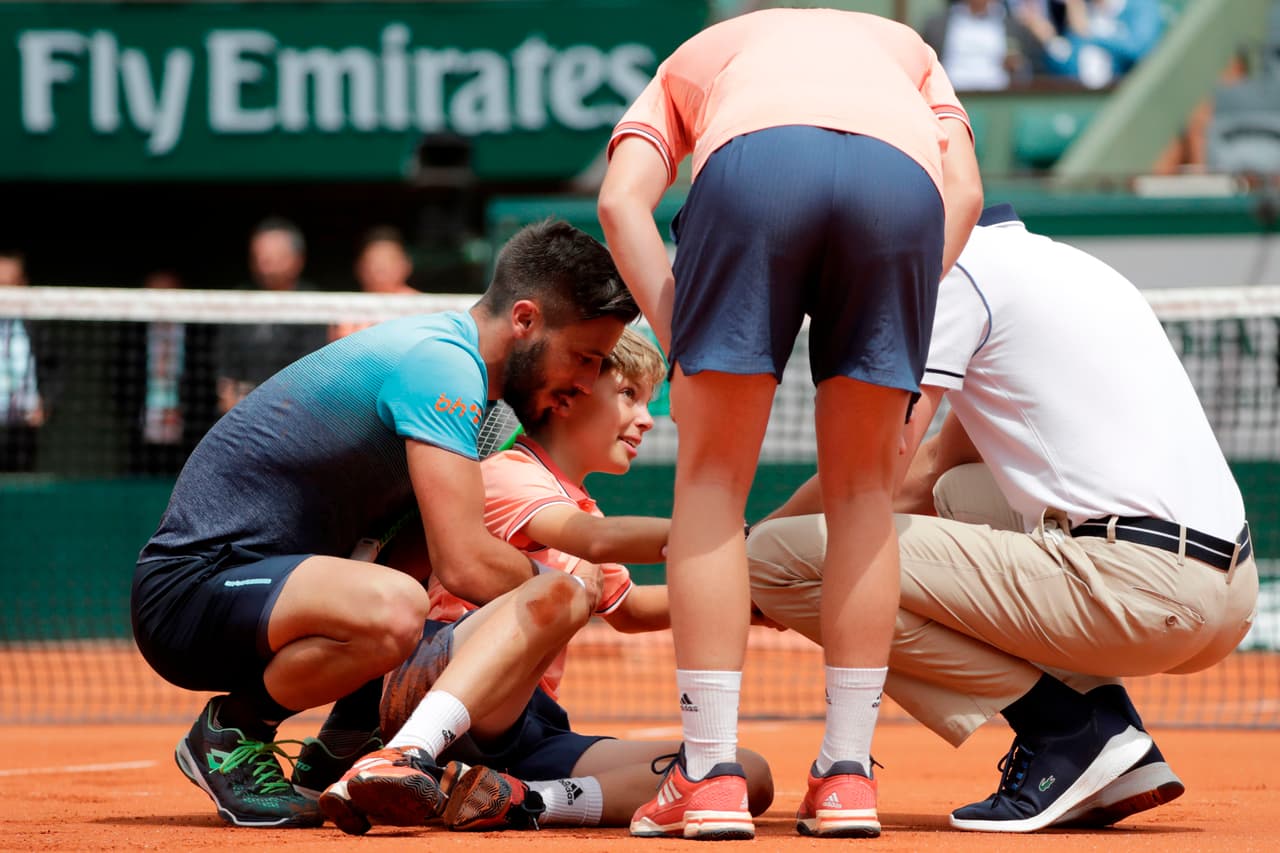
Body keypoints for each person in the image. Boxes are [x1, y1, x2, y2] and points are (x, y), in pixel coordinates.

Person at [596, 7, 983, 840]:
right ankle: (847, 776)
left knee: (708, 482)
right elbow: (967, 192)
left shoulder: (693, 57)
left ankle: (707, 775)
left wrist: (682, 331)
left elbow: (620, 201)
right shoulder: (907, 47)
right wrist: (901, 297)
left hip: (754, 168)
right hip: (903, 192)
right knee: (863, 495)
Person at [748, 204, 1259, 833]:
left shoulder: (949, 276)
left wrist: (742, 557)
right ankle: (1111, 732)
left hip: (1139, 587)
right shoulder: (1059, 264)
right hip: (1226, 592)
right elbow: (934, 471)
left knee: (773, 561)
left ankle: (1067, 730)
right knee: (960, 493)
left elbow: (879, 461)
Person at [130, 219, 638, 829]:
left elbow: (435, 546)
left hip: (281, 589)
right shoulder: (443, 365)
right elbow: (466, 564)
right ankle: (232, 728)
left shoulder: (477, 390)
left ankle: (348, 734)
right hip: (192, 592)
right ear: (525, 320)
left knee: (424, 534)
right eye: (583, 357)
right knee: (396, 607)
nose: (586, 381)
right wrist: (564, 594)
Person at [316, 327, 774, 835]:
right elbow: (594, 542)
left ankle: (512, 799)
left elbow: (632, 610)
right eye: (628, 395)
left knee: (740, 774)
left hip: (523, 723)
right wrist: (725, 537)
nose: (647, 419)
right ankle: (405, 753)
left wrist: (748, 598)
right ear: (568, 397)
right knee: (560, 588)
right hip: (437, 678)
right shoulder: (509, 471)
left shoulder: (584, 505)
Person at [215, 217, 330, 414]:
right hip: (241, 414)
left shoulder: (314, 305)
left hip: (295, 413)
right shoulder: (237, 300)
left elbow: (311, 374)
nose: (265, 261)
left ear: (298, 259)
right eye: (259, 254)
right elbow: (226, 369)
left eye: (275, 254)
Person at [1016, 0, 1164, 88]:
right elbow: (1070, 69)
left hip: (1127, 98)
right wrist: (1049, 39)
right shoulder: (1083, 12)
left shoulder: (1141, 6)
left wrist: (1090, 33)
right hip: (1088, 104)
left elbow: (1140, 49)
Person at [0, 250, 56, 473]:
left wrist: (47, 403)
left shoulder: (37, 325)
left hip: (22, 432)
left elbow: (55, 367)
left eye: (9, 284)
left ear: (22, 284)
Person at [921, 0, 1049, 91]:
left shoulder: (1013, 26)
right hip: (951, 94)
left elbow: (1029, 68)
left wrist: (1016, 66)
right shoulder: (936, 25)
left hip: (998, 98)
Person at [330, 227, 420, 341]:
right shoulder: (345, 309)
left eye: (387, 260)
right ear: (360, 267)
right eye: (374, 261)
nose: (380, 268)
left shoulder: (423, 308)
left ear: (406, 265)